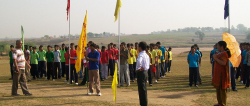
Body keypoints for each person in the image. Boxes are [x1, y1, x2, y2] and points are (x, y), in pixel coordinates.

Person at [212, 41, 231, 106]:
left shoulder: (225, 54)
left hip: (222, 75)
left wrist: (216, 58)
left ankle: (223, 103)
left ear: (221, 46)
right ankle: (219, 102)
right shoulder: (219, 53)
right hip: (217, 74)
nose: (217, 47)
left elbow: (223, 63)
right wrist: (215, 57)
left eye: (218, 46)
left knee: (222, 89)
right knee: (218, 89)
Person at [136, 41, 150, 106]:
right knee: (144, 89)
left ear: (140, 47)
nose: (138, 47)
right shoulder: (146, 55)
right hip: (145, 72)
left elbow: (139, 62)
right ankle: (144, 103)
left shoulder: (141, 55)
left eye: (138, 46)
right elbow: (147, 65)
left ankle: (143, 104)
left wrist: (139, 68)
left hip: (141, 73)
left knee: (141, 90)